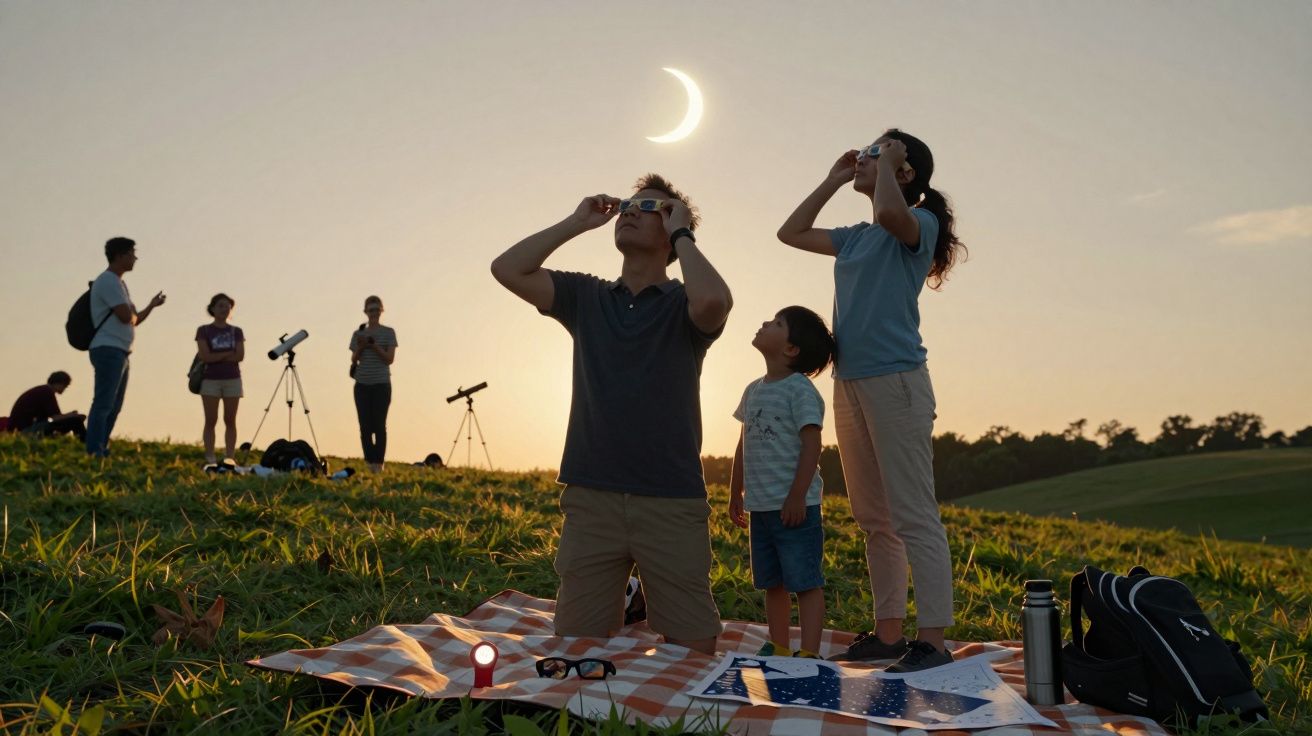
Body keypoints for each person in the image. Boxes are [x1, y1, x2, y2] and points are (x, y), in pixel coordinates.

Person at [491, 174, 733, 655]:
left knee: (693, 649)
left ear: (672, 231)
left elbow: (714, 302)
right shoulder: (588, 296)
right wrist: (577, 222)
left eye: (650, 207)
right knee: (576, 646)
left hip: (670, 496)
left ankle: (642, 605)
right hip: (591, 495)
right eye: (628, 204)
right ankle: (629, 607)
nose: (631, 210)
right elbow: (508, 269)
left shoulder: (684, 302)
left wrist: (684, 233)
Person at [777, 129, 966, 672]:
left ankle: (931, 640)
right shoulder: (856, 235)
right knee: (874, 518)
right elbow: (790, 232)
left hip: (898, 383)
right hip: (850, 383)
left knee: (913, 514)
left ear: (903, 172)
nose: (863, 157)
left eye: (875, 152)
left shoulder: (917, 224)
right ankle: (888, 635)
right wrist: (837, 178)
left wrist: (886, 165)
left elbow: (892, 214)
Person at [728, 306, 835, 659]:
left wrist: (797, 496)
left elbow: (812, 445)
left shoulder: (800, 391)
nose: (765, 323)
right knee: (771, 581)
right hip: (760, 506)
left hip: (795, 507)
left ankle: (809, 651)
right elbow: (744, 444)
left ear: (791, 349)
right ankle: (777, 644)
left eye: (777, 323)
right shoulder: (752, 390)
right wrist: (734, 492)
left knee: (804, 580)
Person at [86, 236, 167, 457]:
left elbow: (134, 318)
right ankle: (94, 449)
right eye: (132, 253)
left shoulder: (119, 283)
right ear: (120, 255)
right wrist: (131, 314)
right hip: (108, 348)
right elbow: (125, 316)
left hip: (120, 350)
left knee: (114, 405)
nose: (135, 258)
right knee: (104, 402)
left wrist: (151, 305)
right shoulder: (108, 281)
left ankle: (101, 446)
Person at [195, 293, 245, 468]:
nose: (224, 309)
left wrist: (217, 356)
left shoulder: (236, 331)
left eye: (227, 306)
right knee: (211, 419)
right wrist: (226, 355)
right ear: (213, 309)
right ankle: (210, 456)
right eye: (221, 305)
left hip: (232, 379)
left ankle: (229, 456)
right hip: (210, 379)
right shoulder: (204, 330)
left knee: (230, 420)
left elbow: (240, 355)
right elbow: (205, 356)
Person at [350, 295, 397, 473]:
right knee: (365, 426)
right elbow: (354, 358)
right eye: (371, 310)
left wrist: (374, 345)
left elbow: (389, 359)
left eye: (377, 310)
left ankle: (379, 462)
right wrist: (362, 346)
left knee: (379, 425)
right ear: (365, 312)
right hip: (362, 384)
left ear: (381, 311)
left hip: (381, 384)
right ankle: (369, 462)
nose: (374, 313)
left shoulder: (389, 332)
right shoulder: (358, 334)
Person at [7, 371, 86, 440]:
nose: (64, 389)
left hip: (23, 429)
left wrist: (70, 415)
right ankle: (88, 446)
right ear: (60, 383)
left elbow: (51, 418)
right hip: (25, 431)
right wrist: (72, 416)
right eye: (65, 386)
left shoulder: (42, 390)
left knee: (71, 420)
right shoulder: (46, 392)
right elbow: (55, 417)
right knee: (76, 421)